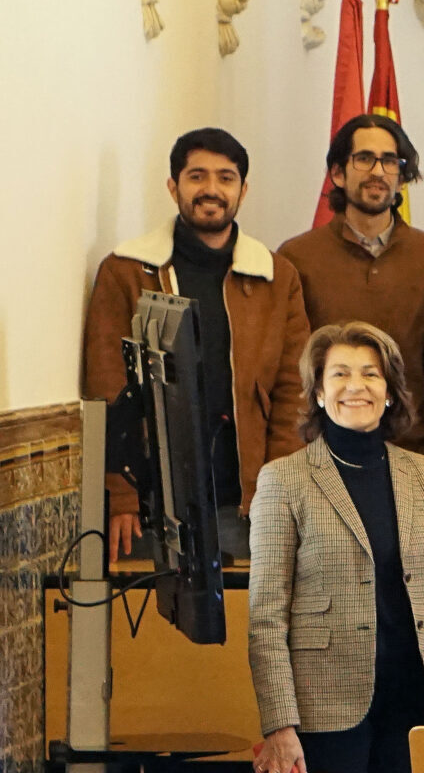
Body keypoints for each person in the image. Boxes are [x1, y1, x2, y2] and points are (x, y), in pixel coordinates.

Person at [248, 322, 424, 773]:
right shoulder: (283, 480)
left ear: (390, 391)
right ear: (317, 391)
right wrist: (280, 724)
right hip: (324, 711)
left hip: (417, 701)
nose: (356, 386)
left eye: (371, 374)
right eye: (340, 374)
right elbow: (265, 617)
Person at [83, 128, 308, 561]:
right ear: (174, 187)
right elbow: (108, 389)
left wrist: (278, 497)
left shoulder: (277, 277)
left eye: (226, 178)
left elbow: (292, 394)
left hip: (244, 504)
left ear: (243, 190)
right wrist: (122, 497)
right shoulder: (127, 271)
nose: (211, 189)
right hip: (152, 507)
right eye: (197, 176)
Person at [277, 115, 424, 453]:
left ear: (402, 178)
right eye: (364, 159)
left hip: (413, 448)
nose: (378, 171)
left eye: (390, 161)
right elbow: (290, 370)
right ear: (338, 173)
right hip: (323, 447)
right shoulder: (297, 256)